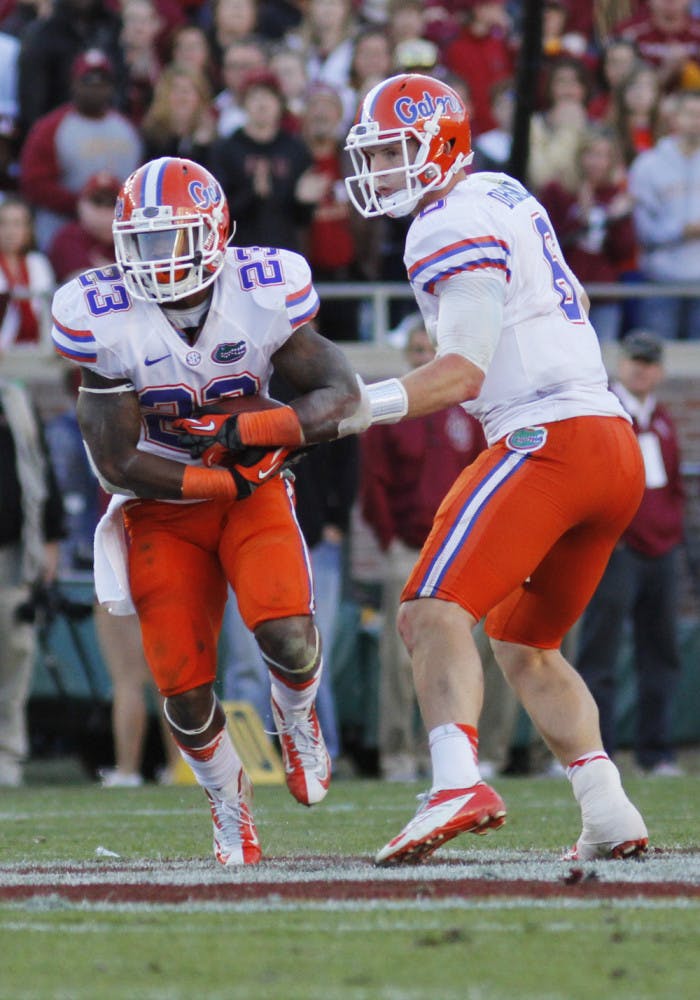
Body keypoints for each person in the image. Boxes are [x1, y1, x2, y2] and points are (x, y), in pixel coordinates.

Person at [341, 72, 649, 865]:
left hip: (546, 437)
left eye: (393, 154)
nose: (378, 174)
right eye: (371, 157)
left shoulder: (446, 222)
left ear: (439, 145)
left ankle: (454, 783)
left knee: (429, 611)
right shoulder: (500, 191)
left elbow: (461, 373)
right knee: (525, 644)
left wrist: (352, 407)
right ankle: (607, 807)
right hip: (609, 445)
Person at [51, 156, 361, 865]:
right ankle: (229, 802)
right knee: (184, 691)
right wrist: (217, 483)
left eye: (172, 240)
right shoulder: (101, 315)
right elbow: (115, 460)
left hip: (250, 492)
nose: (156, 260)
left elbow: (342, 396)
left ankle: (298, 718)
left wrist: (256, 433)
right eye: (143, 242)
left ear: (215, 232)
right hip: (161, 504)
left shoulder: (262, 290)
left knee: (287, 633)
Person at [359, 317, 488, 781]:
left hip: (457, 549)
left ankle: (455, 752)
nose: (421, 357)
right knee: (399, 660)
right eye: (414, 350)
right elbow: (373, 483)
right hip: (409, 547)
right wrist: (391, 536)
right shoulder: (392, 409)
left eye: (427, 349)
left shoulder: (465, 410)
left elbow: (479, 471)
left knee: (461, 654)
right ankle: (397, 752)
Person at [575, 329, 686, 776]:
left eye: (649, 361)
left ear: (659, 370)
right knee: (600, 653)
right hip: (616, 549)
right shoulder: (607, 413)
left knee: (659, 653)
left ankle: (655, 750)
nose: (641, 368)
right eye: (634, 360)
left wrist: (673, 533)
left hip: (661, 552)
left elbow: (674, 486)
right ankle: (597, 751)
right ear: (621, 364)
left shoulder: (661, 420)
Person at [0, 370, 64, 785]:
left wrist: (52, 539)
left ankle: (6, 754)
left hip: (13, 553)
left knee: (14, 653)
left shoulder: (15, 400)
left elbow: (41, 469)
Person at [19, 48, 143, 252]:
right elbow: (33, 182)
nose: (95, 88)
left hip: (120, 231)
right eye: (88, 81)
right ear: (74, 84)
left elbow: (140, 182)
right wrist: (79, 206)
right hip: (64, 228)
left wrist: (115, 210)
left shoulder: (127, 129)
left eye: (101, 82)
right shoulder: (50, 128)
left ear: (111, 86)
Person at [627, 87, 700, 340]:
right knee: (657, 364)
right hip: (661, 278)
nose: (696, 121)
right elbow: (642, 230)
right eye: (690, 114)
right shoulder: (648, 165)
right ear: (674, 118)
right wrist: (682, 230)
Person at [0, 195, 55, 353]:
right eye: (3, 224)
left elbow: (48, 311)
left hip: (39, 350)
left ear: (28, 229)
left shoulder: (38, 263)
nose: (10, 231)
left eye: (17, 224)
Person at [47, 171, 121, 283]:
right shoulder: (69, 238)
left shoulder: (131, 236)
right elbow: (82, 285)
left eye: (111, 203)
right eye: (98, 202)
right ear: (81, 205)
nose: (104, 211)